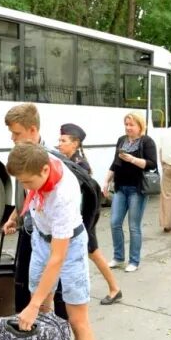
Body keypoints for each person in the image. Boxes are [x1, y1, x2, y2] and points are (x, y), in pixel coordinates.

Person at [5, 142, 96, 340]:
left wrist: (31, 305)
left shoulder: (64, 195)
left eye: (29, 181)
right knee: (43, 316)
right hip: (41, 241)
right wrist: (16, 217)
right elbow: (30, 193)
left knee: (77, 320)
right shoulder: (36, 166)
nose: (25, 185)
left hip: (68, 248)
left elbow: (58, 259)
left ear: (46, 171)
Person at [2, 103, 68, 319]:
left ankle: (47, 330)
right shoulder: (22, 154)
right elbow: (27, 195)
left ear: (32, 130)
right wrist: (15, 216)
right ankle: (25, 328)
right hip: (28, 229)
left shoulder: (50, 160)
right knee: (22, 281)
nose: (12, 138)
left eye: (16, 133)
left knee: (47, 286)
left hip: (47, 235)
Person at [57, 123, 122, 305]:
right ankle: (114, 289)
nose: (59, 143)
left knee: (92, 252)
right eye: (59, 140)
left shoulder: (80, 165)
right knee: (91, 252)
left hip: (84, 217)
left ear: (75, 143)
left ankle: (114, 289)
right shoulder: (68, 160)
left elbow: (80, 196)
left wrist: (84, 225)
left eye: (63, 140)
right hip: (79, 216)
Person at [103, 112, 157, 273]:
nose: (128, 128)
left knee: (134, 226)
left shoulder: (147, 141)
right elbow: (115, 163)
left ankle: (134, 260)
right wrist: (106, 181)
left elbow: (152, 164)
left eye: (131, 125)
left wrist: (132, 159)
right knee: (114, 223)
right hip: (120, 187)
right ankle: (118, 257)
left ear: (140, 126)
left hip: (137, 189)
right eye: (126, 124)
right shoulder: (122, 140)